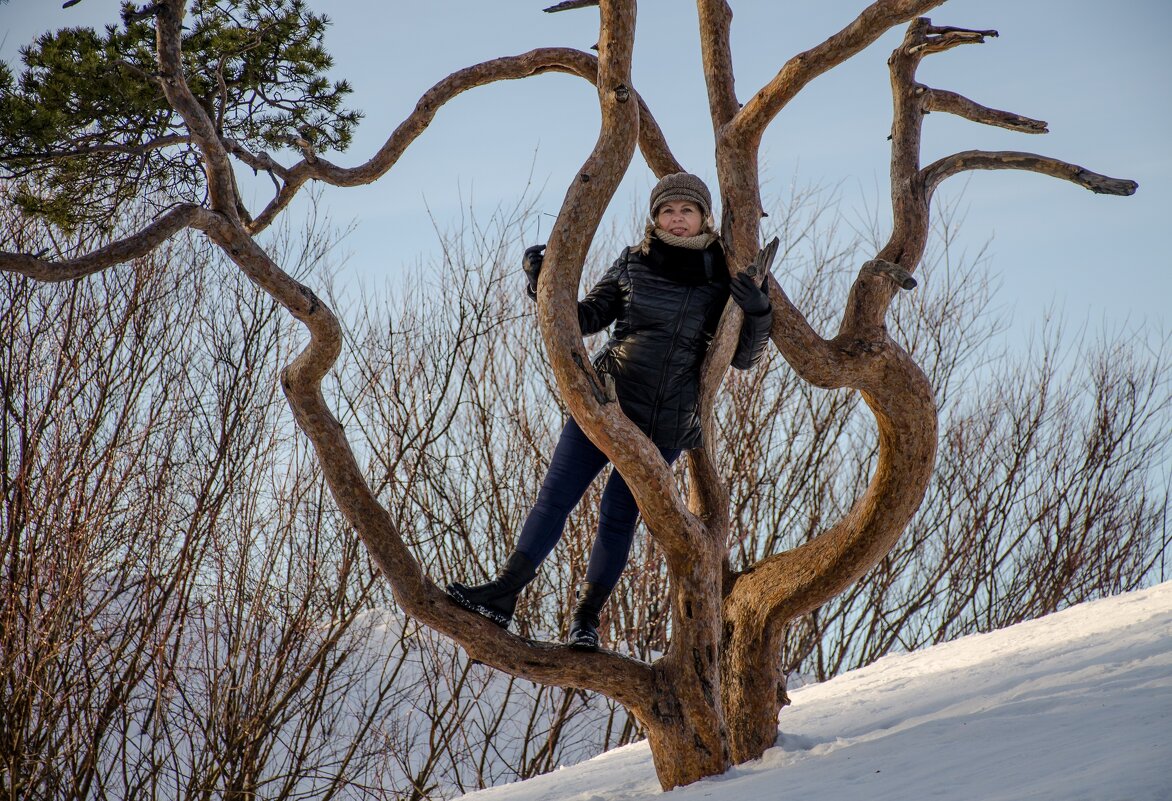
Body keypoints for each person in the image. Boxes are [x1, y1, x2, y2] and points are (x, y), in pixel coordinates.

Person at [446, 172, 772, 650]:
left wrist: (759, 311)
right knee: (554, 499)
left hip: (665, 422)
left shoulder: (723, 277)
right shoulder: (633, 263)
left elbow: (743, 357)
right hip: (606, 403)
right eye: (667, 211)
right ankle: (504, 594)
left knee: (617, 517)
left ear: (704, 218)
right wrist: (543, 283)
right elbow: (585, 318)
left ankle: (586, 622)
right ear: (655, 218)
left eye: (686, 211)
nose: (676, 220)